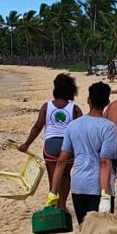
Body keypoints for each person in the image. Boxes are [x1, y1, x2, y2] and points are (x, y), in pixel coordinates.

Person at [48, 82, 117, 225]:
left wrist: (53, 193)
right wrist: (105, 195)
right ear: (107, 103)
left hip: (78, 186)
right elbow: (105, 161)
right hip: (98, 188)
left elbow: (61, 161)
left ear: (88, 100)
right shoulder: (109, 127)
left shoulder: (73, 125)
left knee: (84, 232)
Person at [19, 73, 82, 210]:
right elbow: (80, 131)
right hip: (68, 147)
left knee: (53, 176)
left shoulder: (46, 107)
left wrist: (26, 144)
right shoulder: (75, 109)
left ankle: (54, 202)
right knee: (65, 175)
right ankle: (63, 205)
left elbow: (37, 127)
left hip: (51, 146)